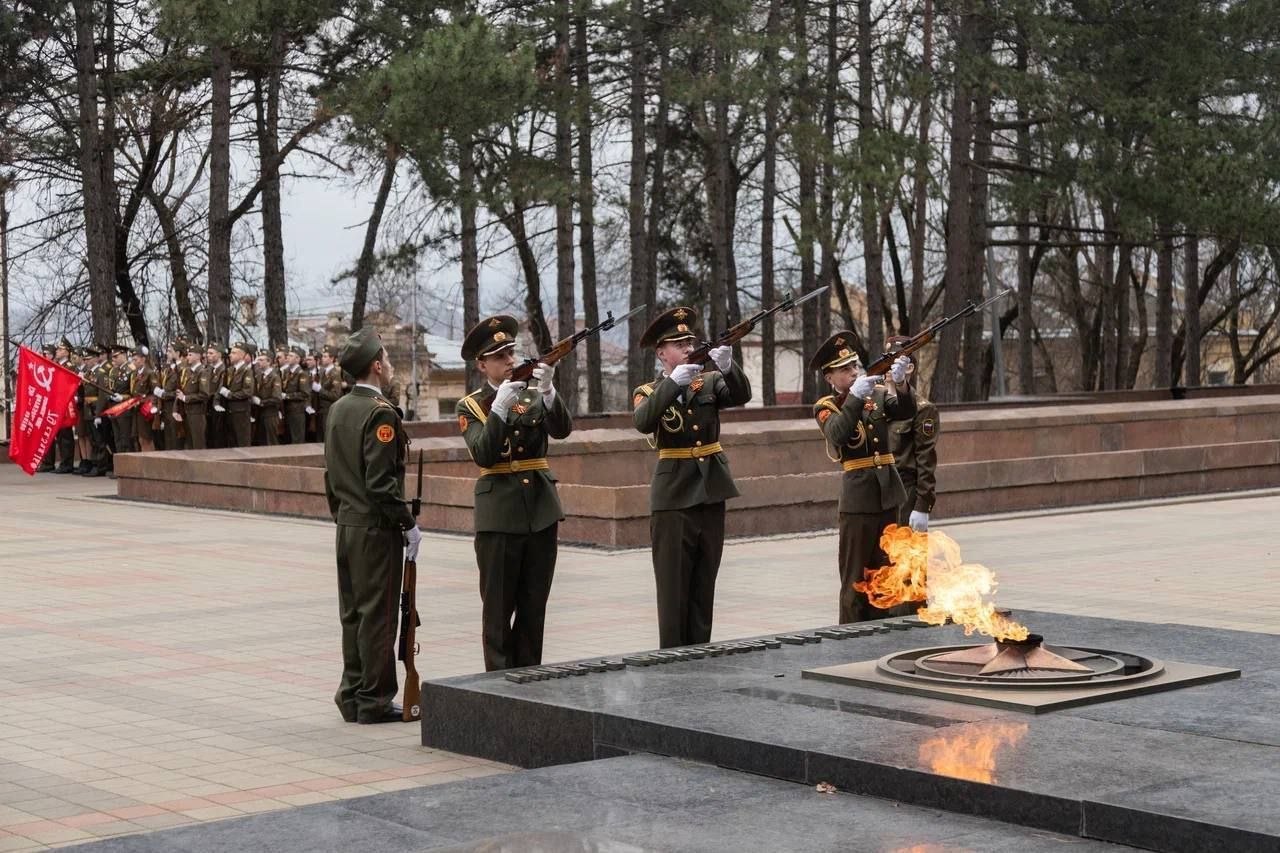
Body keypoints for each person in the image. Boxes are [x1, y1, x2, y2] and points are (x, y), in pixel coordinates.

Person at [456, 315, 572, 671]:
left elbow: (563, 429)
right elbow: (484, 453)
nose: (509, 361)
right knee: (498, 610)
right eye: (499, 356)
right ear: (482, 364)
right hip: (500, 515)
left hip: (540, 510)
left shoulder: (532, 395)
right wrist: (499, 409)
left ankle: (528, 680)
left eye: (511, 353)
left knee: (534, 606)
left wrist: (550, 391)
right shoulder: (472, 406)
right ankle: (498, 687)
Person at [632, 307, 751, 648]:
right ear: (661, 353)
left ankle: (700, 657)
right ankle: (671, 662)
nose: (687, 348)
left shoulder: (710, 381)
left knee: (703, 585)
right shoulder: (648, 390)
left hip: (711, 490)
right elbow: (643, 420)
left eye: (690, 341)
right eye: (678, 343)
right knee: (673, 591)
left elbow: (741, 396)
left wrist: (728, 365)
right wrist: (672, 384)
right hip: (673, 497)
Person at [323, 328, 420, 723]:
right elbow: (381, 483)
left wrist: (345, 514)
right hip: (375, 530)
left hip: (347, 524)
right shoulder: (379, 413)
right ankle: (374, 699)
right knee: (378, 615)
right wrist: (407, 523)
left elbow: (331, 477)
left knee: (353, 615)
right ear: (376, 366)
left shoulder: (339, 409)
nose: (392, 366)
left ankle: (352, 693)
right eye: (388, 359)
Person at [810, 332, 915, 623]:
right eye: (845, 369)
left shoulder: (877, 394)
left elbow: (906, 411)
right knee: (856, 579)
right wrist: (855, 397)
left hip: (888, 494)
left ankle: (881, 635)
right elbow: (839, 434)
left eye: (856, 365)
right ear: (830, 377)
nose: (854, 372)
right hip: (858, 501)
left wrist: (901, 382)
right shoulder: (826, 407)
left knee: (886, 575)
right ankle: (850, 638)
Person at [885, 336, 939, 534]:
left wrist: (922, 505)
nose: (888, 366)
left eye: (894, 360)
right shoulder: (873, 405)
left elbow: (926, 459)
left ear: (908, 368)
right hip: (877, 494)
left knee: (907, 561)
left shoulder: (923, 409)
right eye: (886, 360)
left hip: (905, 493)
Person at [221, 342, 255, 447]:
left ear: (241, 355)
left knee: (242, 441)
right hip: (230, 410)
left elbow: (248, 391)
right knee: (231, 441)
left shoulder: (246, 371)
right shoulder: (231, 370)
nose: (230, 355)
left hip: (241, 411)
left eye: (234, 353)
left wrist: (230, 394)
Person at [177, 344, 208, 449]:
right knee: (189, 443)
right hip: (187, 412)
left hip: (197, 413)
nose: (187, 357)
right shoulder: (189, 372)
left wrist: (186, 398)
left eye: (190, 355)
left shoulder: (202, 372)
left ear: (198, 356)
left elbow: (204, 395)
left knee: (198, 444)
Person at [253, 350, 283, 445]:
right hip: (260, 414)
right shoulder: (259, 376)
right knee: (261, 442)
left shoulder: (274, 377)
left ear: (269, 362)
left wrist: (261, 402)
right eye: (258, 360)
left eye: (261, 360)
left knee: (271, 442)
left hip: (270, 414)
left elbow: (277, 398)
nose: (259, 362)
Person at [282, 346, 310, 444]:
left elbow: (304, 393)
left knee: (297, 439)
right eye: (288, 355)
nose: (287, 357)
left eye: (291, 356)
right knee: (288, 439)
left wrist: (287, 396)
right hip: (287, 410)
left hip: (297, 411)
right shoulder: (286, 372)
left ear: (297, 359)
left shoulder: (302, 374)